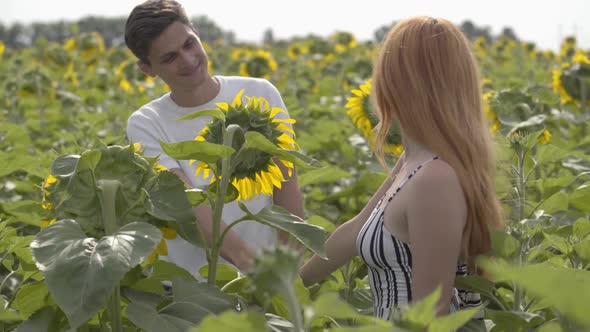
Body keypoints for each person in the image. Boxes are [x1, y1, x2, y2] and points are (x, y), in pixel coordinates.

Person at [300, 16, 503, 320]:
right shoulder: (415, 161)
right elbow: (354, 232)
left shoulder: (434, 179)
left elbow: (428, 318)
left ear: (398, 82)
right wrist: (282, 289)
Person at [124, 0, 304, 280]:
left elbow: (286, 187)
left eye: (189, 44)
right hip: (197, 287)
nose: (187, 60)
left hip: (269, 277)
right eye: (169, 57)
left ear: (196, 33)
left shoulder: (259, 94)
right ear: (147, 69)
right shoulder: (147, 123)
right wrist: (259, 270)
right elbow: (191, 206)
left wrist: (289, 268)